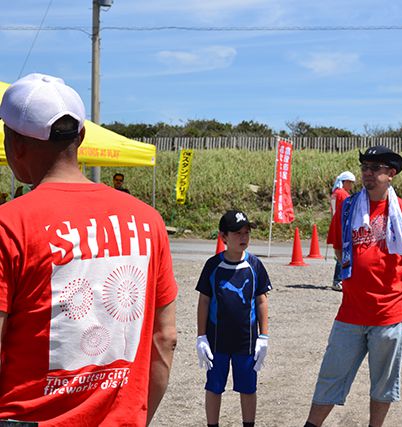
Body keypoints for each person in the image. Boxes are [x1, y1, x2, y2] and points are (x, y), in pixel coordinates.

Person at [0, 73, 178, 425]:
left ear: (15, 144)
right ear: (80, 137)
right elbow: (165, 338)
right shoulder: (148, 221)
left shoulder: (10, 224)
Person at [304, 146, 402, 427]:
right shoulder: (348, 208)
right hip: (350, 311)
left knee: (383, 383)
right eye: (365, 168)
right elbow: (339, 250)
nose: (368, 174)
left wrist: (396, 283)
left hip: (389, 313)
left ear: (391, 174)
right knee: (331, 374)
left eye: (375, 169)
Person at [195, 210, 271, 427]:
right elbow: (204, 302)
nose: (243, 237)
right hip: (217, 340)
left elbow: (262, 301)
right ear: (224, 237)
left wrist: (264, 336)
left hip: (246, 341)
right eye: (237, 233)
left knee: (248, 387)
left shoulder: (255, 265)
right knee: (214, 386)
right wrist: (201, 337)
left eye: (246, 232)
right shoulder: (213, 266)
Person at [327, 170, 356, 291]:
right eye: (350, 182)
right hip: (343, 227)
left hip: (338, 226)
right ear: (345, 182)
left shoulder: (336, 193)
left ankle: (339, 279)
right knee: (344, 253)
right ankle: (338, 280)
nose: (351, 185)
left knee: (342, 253)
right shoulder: (342, 194)